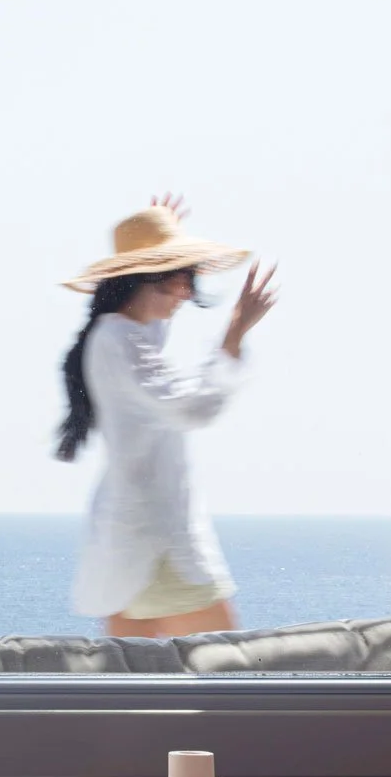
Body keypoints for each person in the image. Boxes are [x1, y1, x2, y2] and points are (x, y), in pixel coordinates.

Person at [56, 197, 277, 637]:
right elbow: (194, 409)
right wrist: (233, 335)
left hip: (134, 545)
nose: (187, 293)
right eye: (181, 278)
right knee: (230, 679)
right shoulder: (121, 341)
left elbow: (149, 337)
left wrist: (161, 236)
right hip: (160, 547)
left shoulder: (118, 335)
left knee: (128, 694)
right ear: (150, 279)